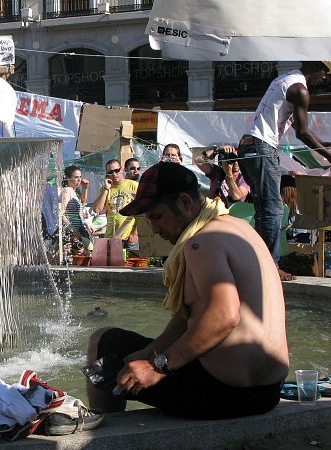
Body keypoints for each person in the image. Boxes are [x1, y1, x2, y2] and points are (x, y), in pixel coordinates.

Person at [85, 162, 288, 420]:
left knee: (104, 342)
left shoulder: (201, 243)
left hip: (225, 394)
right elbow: (189, 318)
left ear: (184, 202)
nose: (155, 229)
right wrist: (148, 353)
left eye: (158, 217)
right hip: (269, 392)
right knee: (126, 357)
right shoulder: (239, 228)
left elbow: (224, 316)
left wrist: (158, 367)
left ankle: (105, 431)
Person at [238, 61, 331, 281]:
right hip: (262, 147)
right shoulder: (300, 90)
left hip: (248, 145)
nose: (326, 77)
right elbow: (302, 133)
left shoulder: (284, 79)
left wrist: (324, 146)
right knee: (272, 209)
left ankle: (259, 263)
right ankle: (270, 266)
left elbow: (300, 129)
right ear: (315, 66)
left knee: (264, 209)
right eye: (326, 72)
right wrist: (329, 156)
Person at [93, 159, 138, 250]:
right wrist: (106, 189)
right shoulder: (105, 189)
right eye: (110, 172)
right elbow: (97, 209)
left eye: (117, 170)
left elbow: (142, 212)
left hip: (128, 237)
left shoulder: (133, 185)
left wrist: (135, 233)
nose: (114, 174)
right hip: (111, 238)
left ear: (122, 169)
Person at [59, 165, 91, 252]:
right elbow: (61, 212)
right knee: (86, 251)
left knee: (88, 250)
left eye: (80, 177)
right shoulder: (67, 191)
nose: (79, 179)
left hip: (78, 229)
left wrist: (85, 188)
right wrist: (72, 229)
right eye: (76, 177)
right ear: (68, 178)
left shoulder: (73, 191)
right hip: (73, 231)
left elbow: (82, 202)